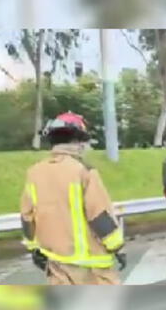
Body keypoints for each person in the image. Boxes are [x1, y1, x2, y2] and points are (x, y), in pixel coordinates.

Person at [20, 112, 126, 285]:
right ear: (77, 142)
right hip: (92, 266)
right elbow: (99, 215)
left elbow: (27, 217)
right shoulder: (83, 171)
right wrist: (117, 247)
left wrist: (34, 248)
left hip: (57, 263)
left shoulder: (34, 173)